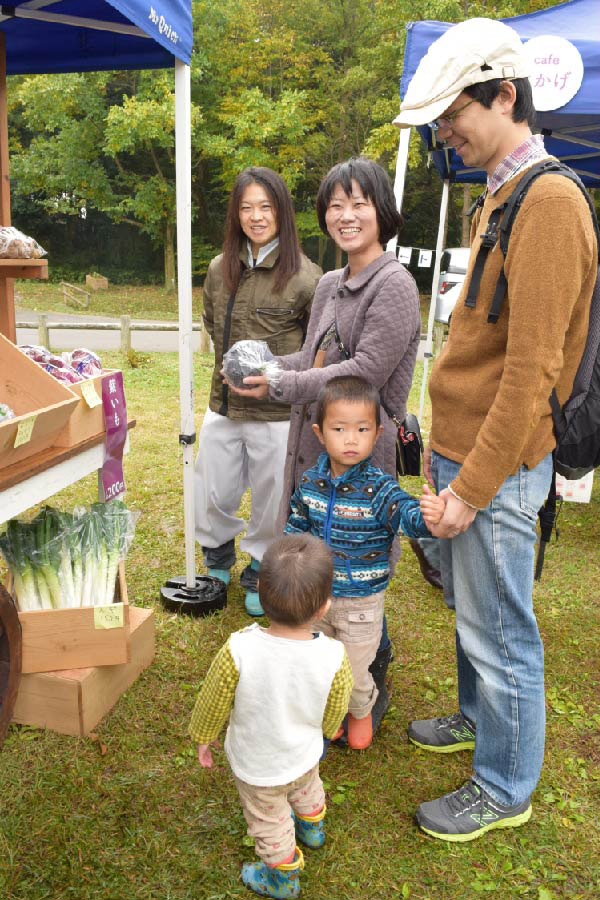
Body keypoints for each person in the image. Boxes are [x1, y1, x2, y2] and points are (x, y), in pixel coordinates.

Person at [394, 17, 597, 842]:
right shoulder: (501, 194)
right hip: (462, 448)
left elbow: (532, 372)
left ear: (505, 95)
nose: (446, 132)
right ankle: (479, 719)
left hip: (499, 465)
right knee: (473, 609)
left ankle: (505, 786)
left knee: (502, 626)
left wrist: (471, 492)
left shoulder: (548, 201)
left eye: (454, 114)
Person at [226, 156, 422, 683]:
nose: (346, 215)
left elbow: (363, 373)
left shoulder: (395, 285)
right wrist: (267, 367)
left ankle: (369, 671)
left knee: (356, 569)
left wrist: (284, 385)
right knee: (316, 563)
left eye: (359, 203)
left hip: (358, 455)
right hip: (312, 452)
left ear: (382, 210)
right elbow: (312, 356)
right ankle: (322, 675)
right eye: (336, 205)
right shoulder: (332, 281)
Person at [189, 533, 353, 899]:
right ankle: (312, 827)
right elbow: (338, 700)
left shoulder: (239, 649)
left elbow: (213, 699)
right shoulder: (334, 655)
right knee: (307, 787)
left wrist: (204, 736)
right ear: (324, 607)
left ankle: (282, 878)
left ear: (260, 597)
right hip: (306, 752)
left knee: (269, 821)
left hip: (259, 765)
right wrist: (326, 732)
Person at [285, 375, 445, 750]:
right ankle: (328, 718)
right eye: (339, 429)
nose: (351, 438)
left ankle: (361, 709)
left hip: (361, 607)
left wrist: (429, 517)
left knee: (354, 675)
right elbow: (294, 533)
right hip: (315, 600)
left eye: (362, 429)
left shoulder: (379, 487)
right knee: (318, 670)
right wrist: (287, 573)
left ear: (377, 434)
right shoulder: (310, 483)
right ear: (320, 433)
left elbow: (407, 515)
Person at [195, 167, 321, 615]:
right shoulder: (218, 268)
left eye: (265, 206)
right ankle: (216, 561)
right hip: (224, 406)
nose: (256, 216)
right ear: (236, 215)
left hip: (276, 414)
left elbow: (314, 348)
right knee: (213, 488)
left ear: (282, 212)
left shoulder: (307, 276)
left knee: (272, 497)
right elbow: (212, 322)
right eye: (246, 207)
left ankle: (257, 569)